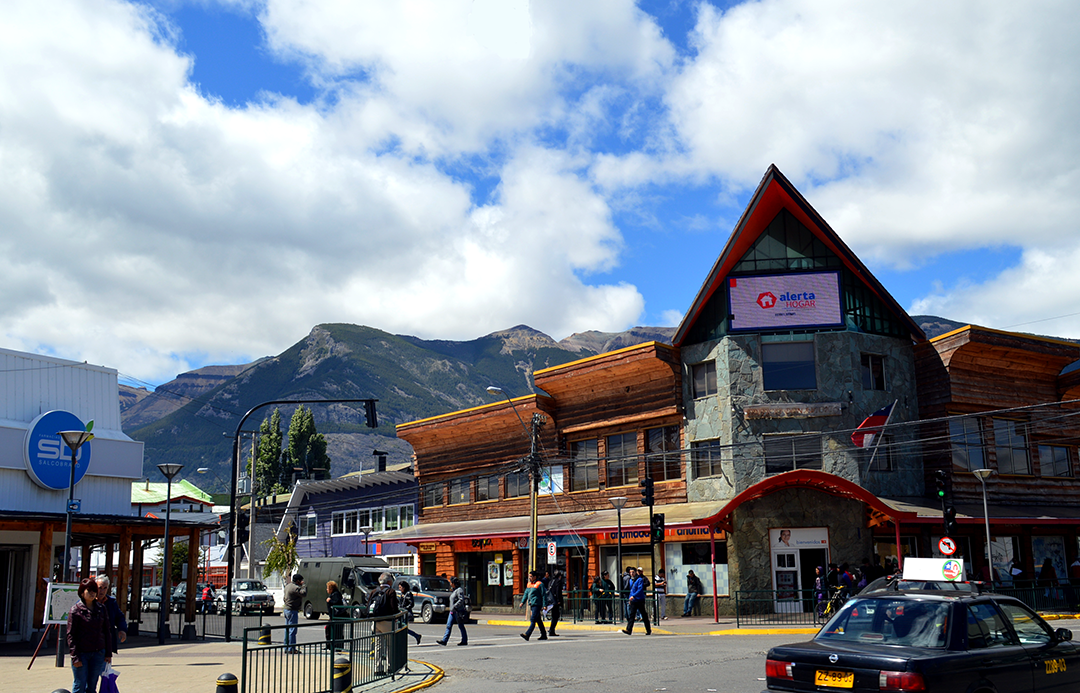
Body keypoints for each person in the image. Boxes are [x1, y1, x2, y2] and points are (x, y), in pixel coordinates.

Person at [68, 577, 111, 693]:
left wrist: (108, 653)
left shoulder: (101, 609)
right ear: (82, 592)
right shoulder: (75, 610)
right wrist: (75, 656)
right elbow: (71, 635)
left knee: (92, 685)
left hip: (98, 652)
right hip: (81, 653)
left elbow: (107, 631)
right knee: (80, 684)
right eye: (89, 591)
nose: (92, 594)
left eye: (94, 591)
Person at [367, 572, 399, 672]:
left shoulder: (374, 591)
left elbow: (368, 605)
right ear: (389, 581)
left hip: (375, 621)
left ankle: (378, 668)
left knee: (378, 646)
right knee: (390, 645)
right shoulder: (390, 592)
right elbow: (393, 608)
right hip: (387, 622)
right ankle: (390, 667)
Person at [94, 575, 127, 656]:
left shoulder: (111, 602)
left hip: (105, 641)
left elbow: (119, 617)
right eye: (100, 588)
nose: (102, 591)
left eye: (105, 588)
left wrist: (122, 630)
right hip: (91, 641)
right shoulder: (89, 601)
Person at [437, 576, 468, 646]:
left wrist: (455, 606)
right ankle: (444, 641)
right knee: (448, 626)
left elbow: (461, 600)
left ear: (454, 583)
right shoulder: (454, 590)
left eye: (451, 582)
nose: (450, 584)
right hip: (452, 612)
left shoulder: (459, 590)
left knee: (461, 626)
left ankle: (464, 640)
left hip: (458, 611)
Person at [622, 567, 651, 635]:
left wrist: (634, 596)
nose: (632, 573)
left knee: (644, 615)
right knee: (632, 615)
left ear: (636, 572)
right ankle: (629, 630)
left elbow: (640, 589)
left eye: (633, 572)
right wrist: (630, 598)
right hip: (634, 600)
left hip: (640, 599)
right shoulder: (630, 580)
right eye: (630, 572)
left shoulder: (639, 579)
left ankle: (648, 630)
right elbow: (631, 590)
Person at [519, 570, 548, 641]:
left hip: (537, 604)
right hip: (531, 604)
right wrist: (522, 602)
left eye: (531, 576)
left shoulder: (539, 584)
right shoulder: (529, 584)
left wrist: (544, 605)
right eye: (529, 576)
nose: (529, 578)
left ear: (535, 577)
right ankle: (544, 634)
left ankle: (527, 634)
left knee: (533, 619)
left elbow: (543, 595)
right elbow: (526, 594)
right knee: (538, 620)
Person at [283, 573, 306, 653]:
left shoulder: (288, 586)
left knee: (287, 629)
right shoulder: (295, 588)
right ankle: (291, 648)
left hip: (286, 609)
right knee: (292, 630)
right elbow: (304, 593)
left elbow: (284, 598)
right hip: (292, 610)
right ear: (298, 581)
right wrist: (304, 586)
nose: (302, 582)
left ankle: (286, 647)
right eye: (301, 580)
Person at [325, 580, 344, 652]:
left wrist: (329, 601)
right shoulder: (333, 594)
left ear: (331, 588)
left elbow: (337, 602)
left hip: (337, 616)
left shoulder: (336, 594)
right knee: (329, 630)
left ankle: (338, 647)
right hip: (333, 616)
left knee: (337, 632)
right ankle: (329, 645)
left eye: (327, 588)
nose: (327, 590)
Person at [547, 569, 565, 636]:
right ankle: (551, 630)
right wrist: (558, 600)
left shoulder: (551, 581)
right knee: (556, 616)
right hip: (555, 601)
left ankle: (551, 629)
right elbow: (558, 591)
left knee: (554, 616)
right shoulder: (558, 581)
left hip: (551, 600)